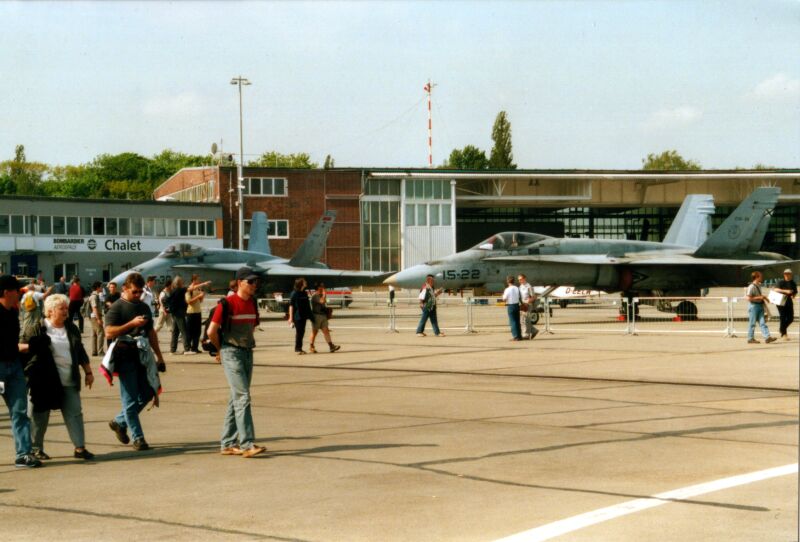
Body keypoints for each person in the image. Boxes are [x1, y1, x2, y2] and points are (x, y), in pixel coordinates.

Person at [22, 294, 95, 461]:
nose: (66, 311)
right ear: (49, 311)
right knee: (39, 415)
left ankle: (79, 447)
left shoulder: (71, 328)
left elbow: (81, 351)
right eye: (61, 308)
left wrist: (88, 372)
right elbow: (22, 349)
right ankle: (36, 448)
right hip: (43, 380)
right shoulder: (36, 328)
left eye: (66, 308)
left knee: (75, 412)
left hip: (69, 378)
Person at [206, 266, 266, 458]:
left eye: (256, 282)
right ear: (240, 282)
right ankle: (247, 444)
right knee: (243, 397)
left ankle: (227, 443)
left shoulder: (253, 303)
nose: (254, 285)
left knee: (236, 398)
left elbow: (252, 327)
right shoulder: (227, 303)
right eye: (251, 282)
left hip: (247, 353)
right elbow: (211, 332)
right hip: (231, 353)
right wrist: (220, 350)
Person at [104, 272, 166, 451]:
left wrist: (159, 357)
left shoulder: (144, 307)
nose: (138, 295)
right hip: (125, 357)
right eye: (135, 292)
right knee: (130, 399)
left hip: (142, 356)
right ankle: (138, 438)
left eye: (140, 292)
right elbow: (108, 332)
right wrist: (131, 324)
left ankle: (119, 421)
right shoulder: (117, 307)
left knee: (148, 393)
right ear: (125, 288)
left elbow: (151, 333)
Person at [0, 275, 41, 468]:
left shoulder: (12, 313)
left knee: (20, 411)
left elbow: (10, 345)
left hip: (14, 367)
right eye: (17, 290)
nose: (20, 293)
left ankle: (23, 454)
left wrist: (30, 346)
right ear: (7, 292)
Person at [746, 271, 777, 344]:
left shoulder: (759, 285)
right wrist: (760, 297)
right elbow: (748, 298)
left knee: (763, 322)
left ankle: (767, 337)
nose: (762, 277)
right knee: (752, 323)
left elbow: (759, 296)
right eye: (760, 276)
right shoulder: (751, 286)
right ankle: (750, 338)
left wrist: (764, 298)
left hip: (760, 305)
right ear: (756, 277)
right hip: (753, 306)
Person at [309, 283, 341, 353]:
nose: (323, 288)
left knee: (326, 331)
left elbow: (324, 302)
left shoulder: (320, 295)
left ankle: (331, 346)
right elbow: (322, 301)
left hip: (323, 316)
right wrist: (324, 294)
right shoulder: (315, 296)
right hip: (316, 316)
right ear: (318, 288)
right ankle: (311, 346)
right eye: (322, 287)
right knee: (314, 332)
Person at [185, 274, 211, 355]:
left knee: (198, 331)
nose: (199, 281)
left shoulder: (198, 288)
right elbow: (189, 302)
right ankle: (188, 347)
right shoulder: (189, 289)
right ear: (193, 280)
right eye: (197, 280)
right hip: (190, 312)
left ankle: (195, 348)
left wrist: (202, 296)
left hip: (198, 312)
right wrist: (198, 295)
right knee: (190, 331)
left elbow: (200, 301)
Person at [288, 278, 312, 354]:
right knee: (299, 332)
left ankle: (299, 348)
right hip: (297, 316)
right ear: (301, 283)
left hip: (304, 315)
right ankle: (298, 348)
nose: (306, 283)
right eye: (304, 282)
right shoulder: (294, 293)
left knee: (302, 332)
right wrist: (290, 318)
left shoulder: (304, 293)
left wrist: (310, 315)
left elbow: (307, 305)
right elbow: (291, 306)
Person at [773, 268, 797, 340]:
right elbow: (775, 289)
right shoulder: (780, 282)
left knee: (790, 318)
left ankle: (781, 328)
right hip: (780, 299)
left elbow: (795, 292)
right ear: (784, 274)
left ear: (791, 274)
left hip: (788, 300)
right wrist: (786, 291)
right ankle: (784, 334)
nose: (787, 275)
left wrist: (793, 295)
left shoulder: (793, 283)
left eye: (788, 274)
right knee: (783, 317)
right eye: (785, 274)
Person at [169, 275, 190, 354]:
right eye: (181, 281)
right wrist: (203, 284)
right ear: (179, 283)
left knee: (175, 331)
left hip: (174, 313)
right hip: (179, 313)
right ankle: (187, 348)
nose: (183, 282)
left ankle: (173, 349)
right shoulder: (181, 290)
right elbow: (190, 288)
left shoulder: (173, 290)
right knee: (183, 330)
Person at [518, 274, 539, 340]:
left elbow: (533, 297)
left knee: (524, 320)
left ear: (524, 279)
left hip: (528, 304)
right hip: (523, 304)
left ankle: (526, 335)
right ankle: (534, 331)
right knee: (523, 320)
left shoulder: (529, 286)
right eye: (519, 279)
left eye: (521, 279)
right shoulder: (520, 286)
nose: (519, 281)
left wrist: (528, 302)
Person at [502, 275, 523, 341]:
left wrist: (503, 296)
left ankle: (515, 336)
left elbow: (504, 299)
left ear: (508, 281)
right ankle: (519, 335)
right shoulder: (517, 288)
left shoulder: (507, 289)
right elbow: (520, 297)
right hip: (517, 305)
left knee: (512, 321)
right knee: (517, 321)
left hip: (511, 305)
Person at [88, 281, 105, 357]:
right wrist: (99, 319)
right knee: (101, 333)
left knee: (94, 334)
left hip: (93, 317)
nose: (102, 288)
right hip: (95, 317)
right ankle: (100, 351)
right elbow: (94, 308)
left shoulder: (94, 295)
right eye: (101, 286)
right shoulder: (94, 296)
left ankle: (94, 351)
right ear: (98, 287)